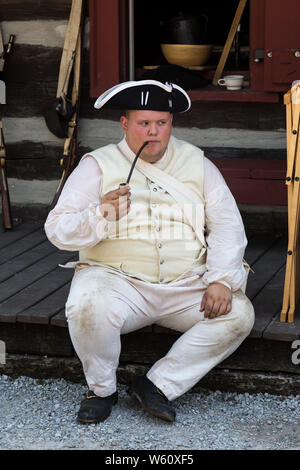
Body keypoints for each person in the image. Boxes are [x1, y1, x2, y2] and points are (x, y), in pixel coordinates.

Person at [44, 79, 255, 424]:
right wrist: (100, 213)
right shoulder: (97, 165)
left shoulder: (198, 163)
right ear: (125, 124)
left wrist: (220, 280)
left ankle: (156, 385)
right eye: (144, 123)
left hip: (186, 283)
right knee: (85, 305)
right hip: (118, 281)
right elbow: (57, 230)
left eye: (162, 123)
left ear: (171, 123)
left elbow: (227, 225)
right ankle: (101, 390)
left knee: (239, 314)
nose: (153, 132)